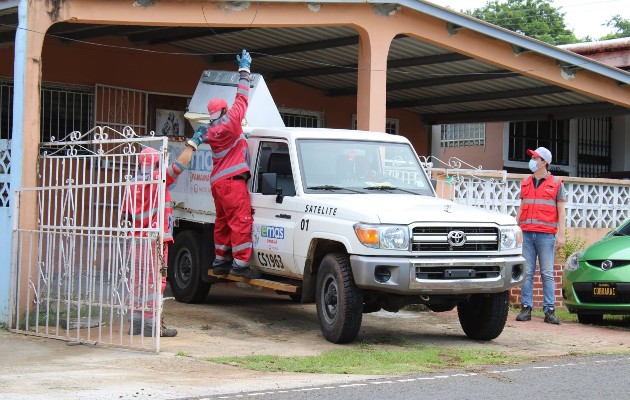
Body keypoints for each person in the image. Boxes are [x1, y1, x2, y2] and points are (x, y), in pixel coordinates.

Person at [187, 49, 261, 279]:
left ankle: (220, 260)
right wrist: (244, 70)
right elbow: (242, 96)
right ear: (224, 110)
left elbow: (196, 140)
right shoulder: (231, 121)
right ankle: (240, 263)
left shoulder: (208, 129)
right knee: (240, 220)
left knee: (222, 220)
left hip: (217, 183)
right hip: (232, 181)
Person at [122, 143, 196, 337]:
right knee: (155, 283)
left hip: (136, 241)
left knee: (137, 281)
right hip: (155, 241)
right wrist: (192, 145)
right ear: (156, 164)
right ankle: (153, 325)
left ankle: (136, 323)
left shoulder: (132, 184)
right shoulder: (158, 179)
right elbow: (179, 166)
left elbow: (126, 217)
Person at [515, 146, 566, 325]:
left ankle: (549, 311)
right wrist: (516, 228)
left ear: (544, 162)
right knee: (527, 272)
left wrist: (562, 235)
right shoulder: (526, 181)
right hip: (527, 234)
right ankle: (526, 308)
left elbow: (561, 211)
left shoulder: (557, 183)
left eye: (535, 158)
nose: (532, 161)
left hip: (546, 236)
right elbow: (521, 208)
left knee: (547, 273)